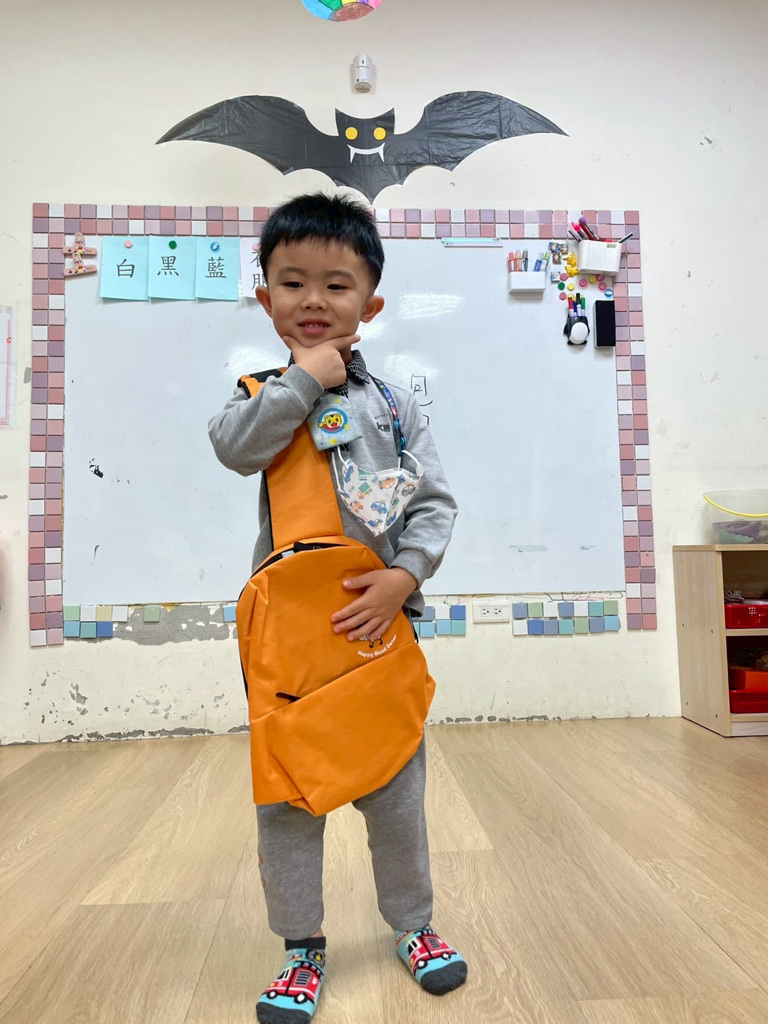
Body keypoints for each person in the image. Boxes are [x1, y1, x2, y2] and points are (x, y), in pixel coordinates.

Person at [208, 192, 466, 1023]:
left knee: (395, 791)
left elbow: (433, 504)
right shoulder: (261, 394)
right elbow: (234, 446)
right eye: (293, 283)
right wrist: (298, 385)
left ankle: (414, 924)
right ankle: (301, 947)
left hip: (377, 634)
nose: (313, 300)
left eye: (336, 285)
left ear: (371, 305)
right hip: (288, 646)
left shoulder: (393, 407)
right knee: (288, 799)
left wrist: (405, 578)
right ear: (266, 299)